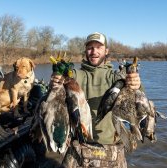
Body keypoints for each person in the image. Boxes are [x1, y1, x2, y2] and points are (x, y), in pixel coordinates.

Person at [50, 32, 142, 168]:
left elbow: (137, 99)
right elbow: (54, 96)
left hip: (110, 146)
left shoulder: (116, 77)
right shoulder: (74, 75)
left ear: (106, 51)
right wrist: (54, 83)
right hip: (78, 144)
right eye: (90, 47)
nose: (94, 51)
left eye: (99, 47)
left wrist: (136, 85)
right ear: (86, 51)